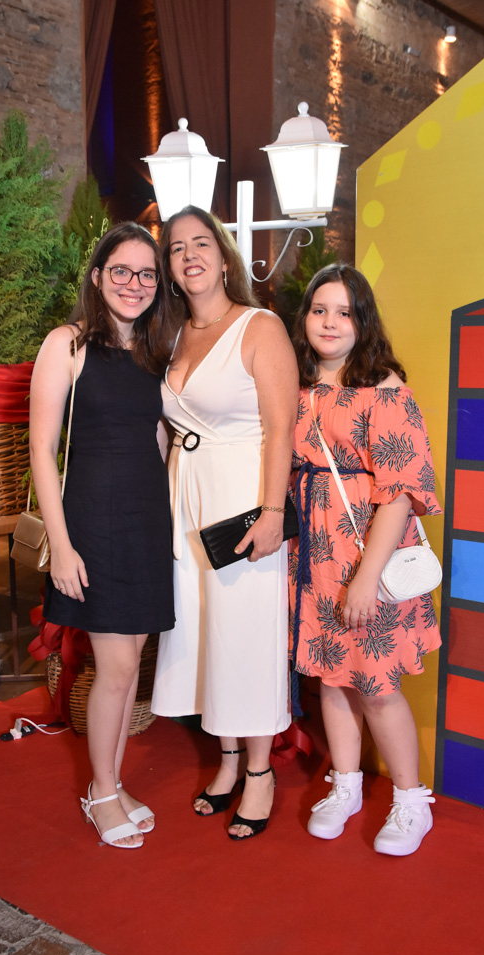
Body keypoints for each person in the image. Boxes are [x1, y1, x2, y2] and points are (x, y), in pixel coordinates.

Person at [150, 206, 299, 840]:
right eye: (177, 247)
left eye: (201, 243)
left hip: (242, 499)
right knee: (205, 633)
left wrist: (272, 513)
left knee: (247, 634)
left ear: (223, 254)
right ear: (168, 265)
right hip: (187, 499)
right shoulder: (170, 333)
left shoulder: (259, 327)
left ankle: (260, 773)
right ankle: (229, 758)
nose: (190, 255)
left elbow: (282, 428)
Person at [29, 222, 174, 850]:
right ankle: (102, 792)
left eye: (146, 274)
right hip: (95, 524)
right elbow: (41, 450)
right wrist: (62, 545)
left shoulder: (154, 352)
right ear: (97, 276)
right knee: (115, 668)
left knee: (130, 665)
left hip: (146, 523)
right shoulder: (66, 343)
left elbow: (161, 443)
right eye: (121, 271)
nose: (134, 284)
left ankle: (110, 785)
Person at [288, 263, 442, 856]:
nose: (330, 322)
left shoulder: (386, 390)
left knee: (376, 685)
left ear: (364, 321)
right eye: (319, 310)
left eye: (345, 312)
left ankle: (411, 801)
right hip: (315, 556)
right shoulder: (297, 385)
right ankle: (346, 785)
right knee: (330, 677)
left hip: (366, 555)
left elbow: (400, 494)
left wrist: (367, 579)